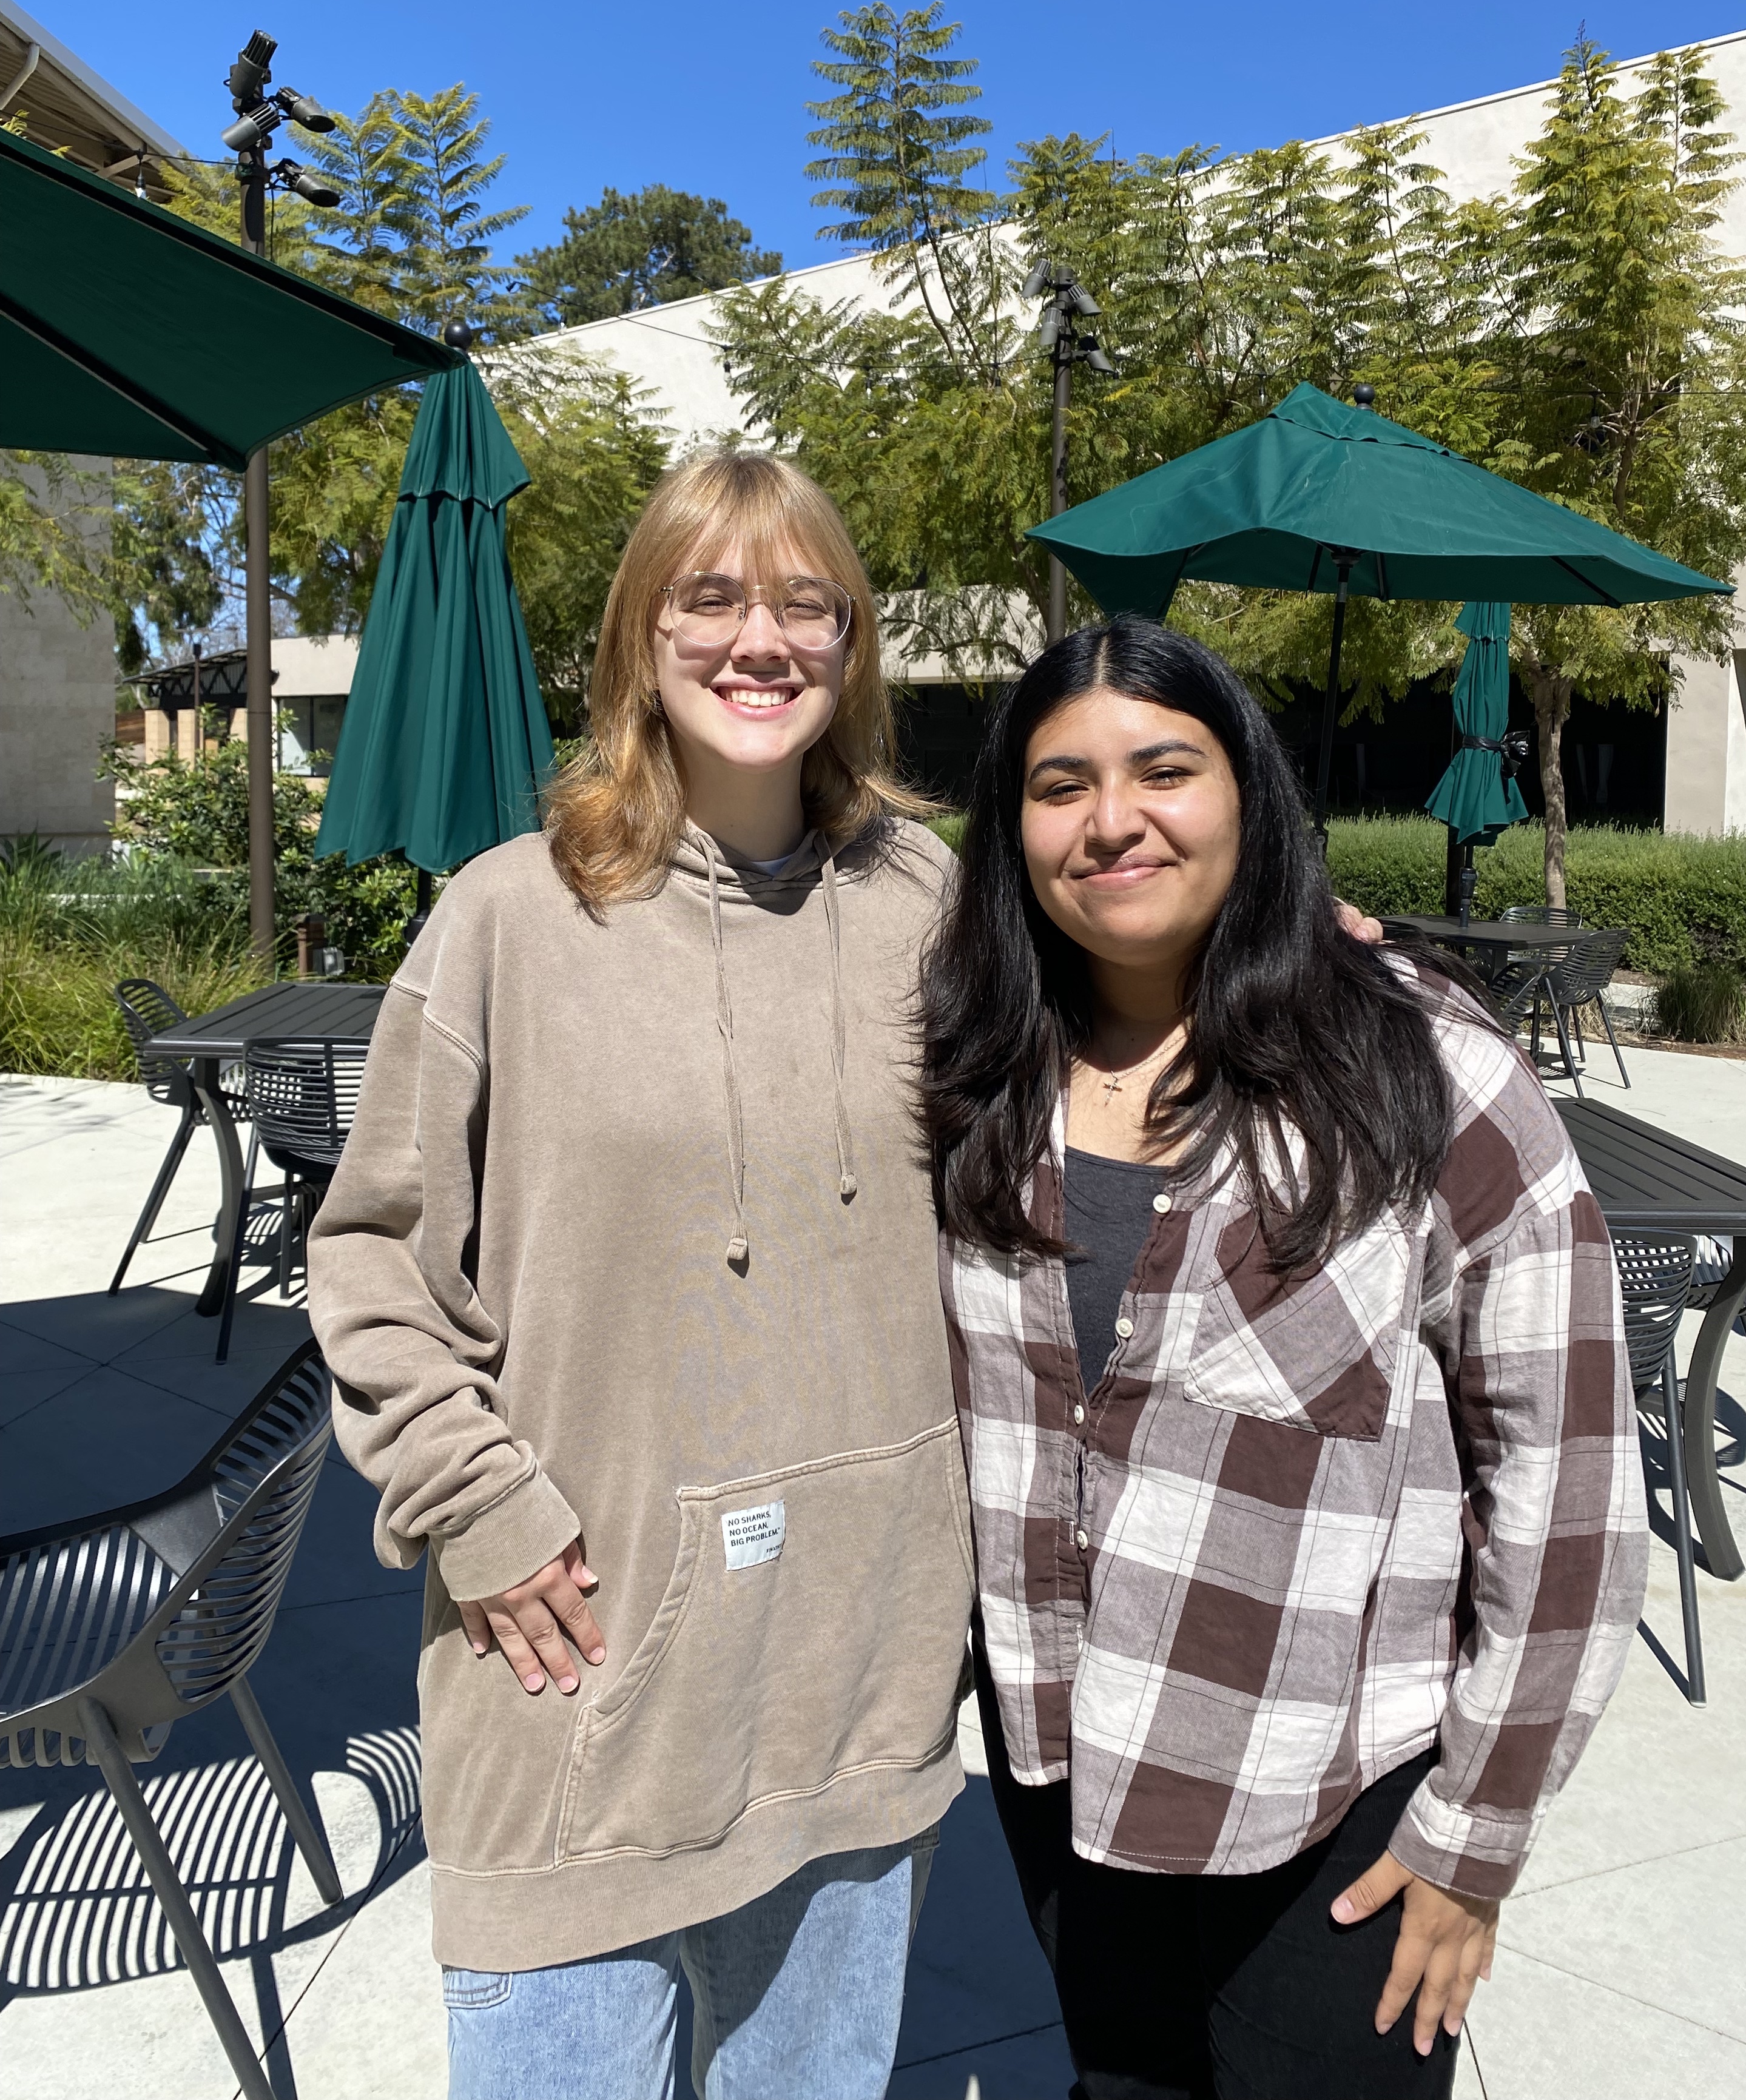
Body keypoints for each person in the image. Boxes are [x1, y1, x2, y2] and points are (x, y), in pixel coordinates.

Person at [308, 451, 977, 2100]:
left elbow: (1109, 1069)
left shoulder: (934, 903)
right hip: (581, 1685)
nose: (764, 639)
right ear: (636, 639)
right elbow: (372, 1251)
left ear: (855, 643)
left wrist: (1312, 966)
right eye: (713, 596)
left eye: (806, 601)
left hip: (856, 1680)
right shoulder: (508, 916)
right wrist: (477, 1502)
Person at [919, 617, 1648, 2100]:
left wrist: (1476, 1832)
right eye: (1060, 785)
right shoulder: (971, 1073)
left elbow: (1567, 1492)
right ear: (1012, 831)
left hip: (1333, 1797)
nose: (1112, 819)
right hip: (1063, 1754)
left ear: (1248, 793)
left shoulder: (1424, 1071)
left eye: (1164, 769)